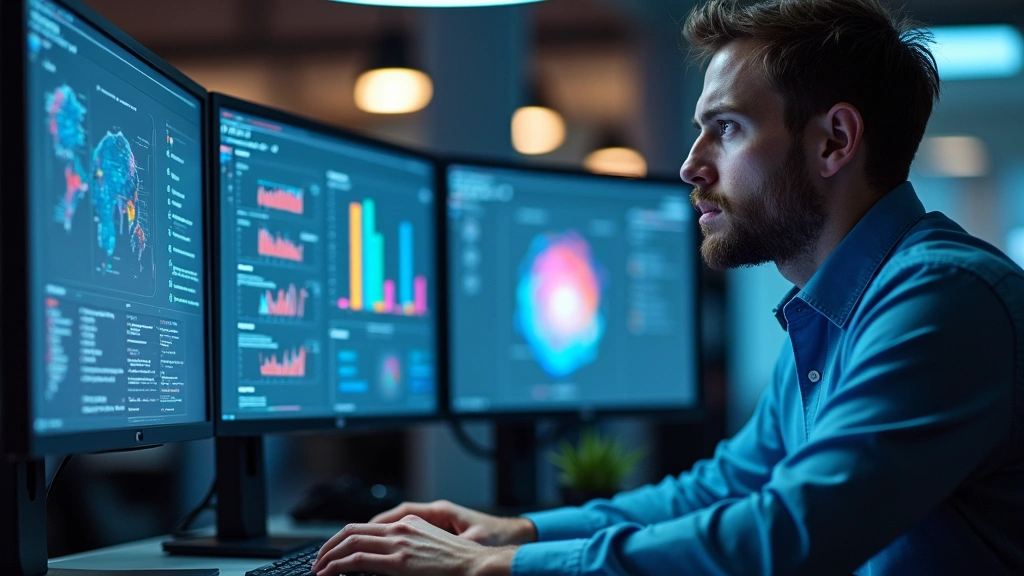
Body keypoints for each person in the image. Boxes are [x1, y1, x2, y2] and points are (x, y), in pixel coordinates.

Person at [312, 0, 1024, 574]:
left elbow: (790, 533)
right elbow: (725, 488)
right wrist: (515, 530)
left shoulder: (941, 302)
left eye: (726, 129)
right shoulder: (838, 313)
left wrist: (489, 569)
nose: (689, 166)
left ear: (835, 141)